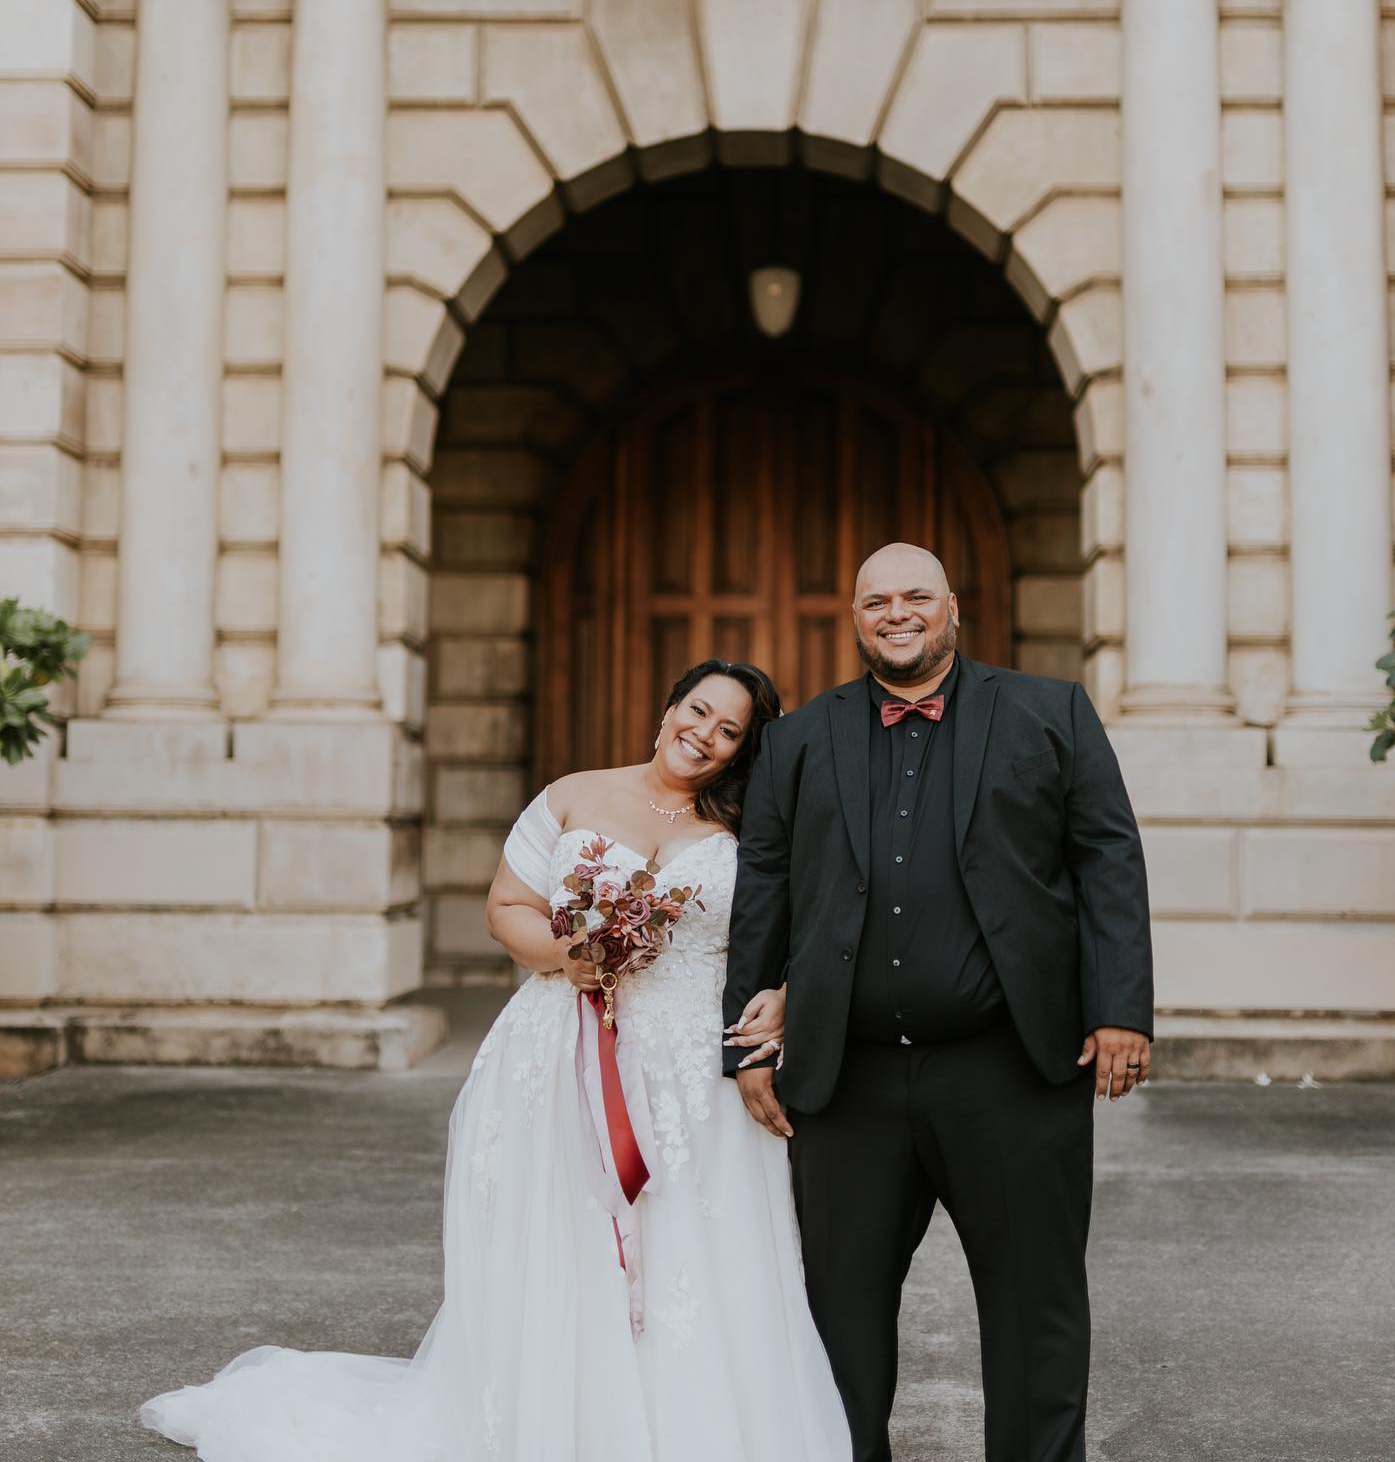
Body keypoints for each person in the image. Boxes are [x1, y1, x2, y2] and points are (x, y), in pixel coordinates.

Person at [141, 659, 850, 1462]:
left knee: (697, 1240)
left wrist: (786, 991)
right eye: (698, 711)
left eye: (730, 731)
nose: (705, 736)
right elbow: (505, 905)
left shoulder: (751, 826)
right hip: (564, 1045)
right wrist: (565, 952)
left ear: (744, 749)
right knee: (567, 1237)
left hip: (692, 1070)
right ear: (667, 709)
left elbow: (802, 923)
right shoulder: (574, 794)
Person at [723, 543, 1154, 1462]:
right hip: (848, 1080)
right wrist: (747, 1046)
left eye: (916, 594)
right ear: (854, 617)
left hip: (1011, 1069)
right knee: (838, 1318)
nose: (897, 611)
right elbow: (764, 884)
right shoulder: (799, 739)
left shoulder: (1049, 712)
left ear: (952, 608)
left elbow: (1106, 857)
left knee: (1034, 1305)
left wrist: (1121, 1007)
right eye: (875, 599)